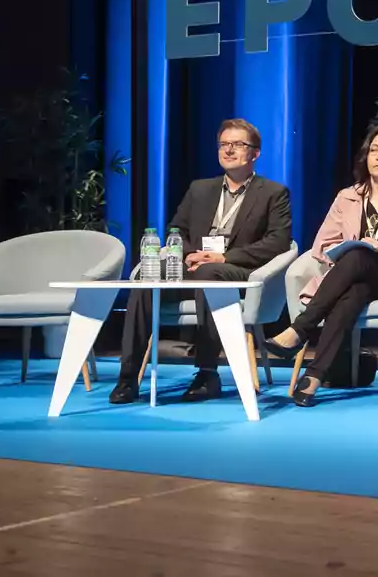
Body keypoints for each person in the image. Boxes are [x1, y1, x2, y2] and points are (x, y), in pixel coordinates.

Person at [109, 118, 292, 404]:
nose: (228, 150)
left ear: (255, 153)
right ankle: (128, 377)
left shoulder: (273, 193)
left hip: (238, 271)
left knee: (211, 272)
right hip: (192, 266)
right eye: (224, 144)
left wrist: (223, 256)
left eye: (237, 145)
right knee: (148, 278)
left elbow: (278, 242)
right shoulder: (199, 189)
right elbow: (177, 230)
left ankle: (207, 373)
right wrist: (187, 255)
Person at [265, 126, 378, 407]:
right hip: (352, 277)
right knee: (354, 287)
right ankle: (314, 377)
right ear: (365, 156)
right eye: (374, 150)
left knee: (363, 257)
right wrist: (348, 247)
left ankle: (300, 328)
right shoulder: (348, 196)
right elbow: (323, 245)